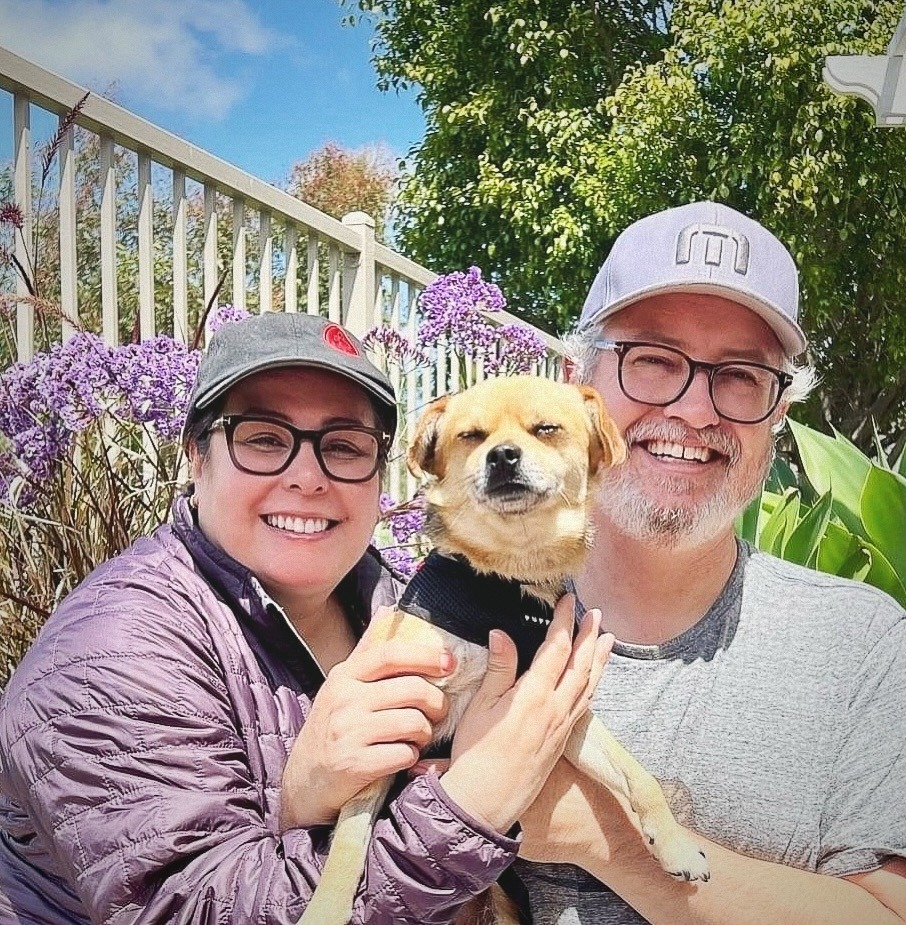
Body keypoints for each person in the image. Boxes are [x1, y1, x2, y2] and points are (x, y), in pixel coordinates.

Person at [0, 311, 613, 924]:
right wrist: (467, 803)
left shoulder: (404, 601)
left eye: (344, 445)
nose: (306, 477)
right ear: (195, 456)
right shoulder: (111, 655)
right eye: (264, 438)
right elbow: (190, 908)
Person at [512, 201, 906, 924]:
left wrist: (595, 833)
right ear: (574, 385)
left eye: (738, 375)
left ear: (777, 415)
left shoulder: (856, 643)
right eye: (651, 360)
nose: (695, 409)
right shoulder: (469, 616)